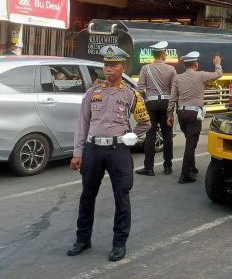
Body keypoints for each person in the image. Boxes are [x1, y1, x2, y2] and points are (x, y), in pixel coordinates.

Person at [68, 45, 150, 261]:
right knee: (87, 196)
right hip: (93, 149)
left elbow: (145, 122)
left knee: (121, 196)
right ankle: (82, 239)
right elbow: (82, 124)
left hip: (117, 150)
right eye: (106, 65)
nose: (108, 69)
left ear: (123, 67)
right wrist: (78, 153)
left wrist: (131, 136)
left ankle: (119, 243)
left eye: (114, 65)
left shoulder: (131, 95)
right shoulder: (92, 93)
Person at [167, 51, 222, 183]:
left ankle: (192, 167)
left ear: (184, 65)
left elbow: (172, 98)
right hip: (194, 114)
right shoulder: (201, 75)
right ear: (196, 64)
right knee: (191, 144)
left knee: (190, 141)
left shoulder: (178, 78)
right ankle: (185, 175)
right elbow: (218, 74)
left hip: (181, 113)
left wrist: (169, 114)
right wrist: (217, 64)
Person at [136, 41, 176, 176]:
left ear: (153, 55)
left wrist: (145, 99)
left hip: (151, 104)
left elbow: (140, 89)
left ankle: (149, 167)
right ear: (163, 54)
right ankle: (168, 167)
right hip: (166, 103)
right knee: (167, 135)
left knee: (150, 135)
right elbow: (174, 90)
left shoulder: (145, 69)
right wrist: (171, 110)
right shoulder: (171, 69)